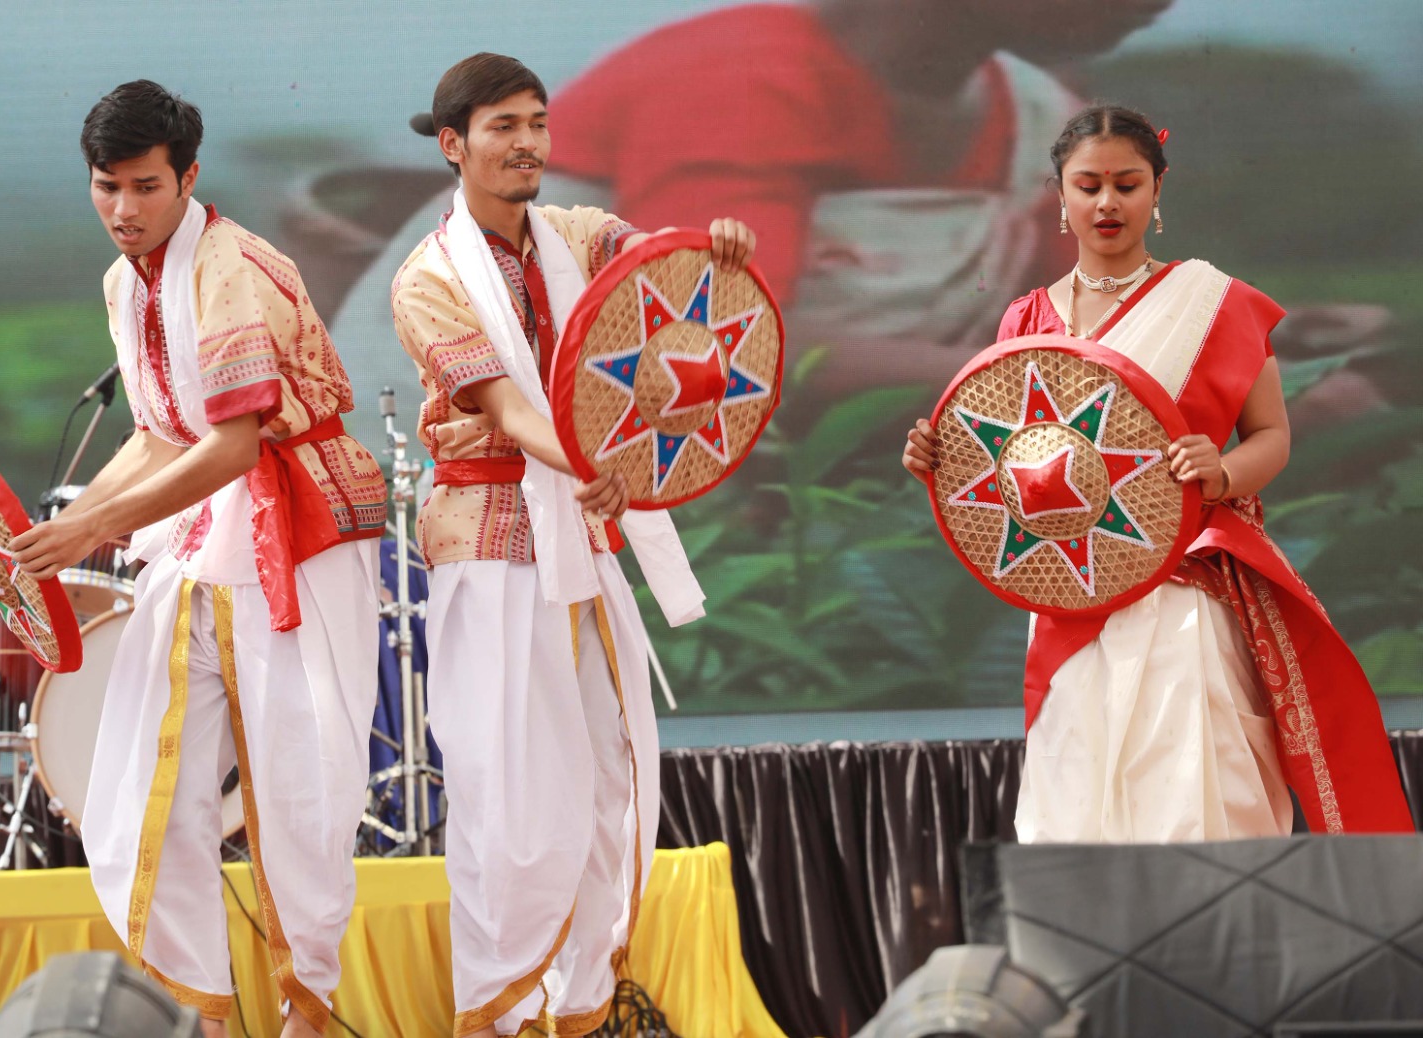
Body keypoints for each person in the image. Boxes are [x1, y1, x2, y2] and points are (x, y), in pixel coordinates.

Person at [901, 105, 1413, 842]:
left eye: (1127, 183)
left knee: (1195, 799)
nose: (1107, 202)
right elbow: (1004, 464)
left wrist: (1221, 471)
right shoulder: (1026, 321)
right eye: (1088, 186)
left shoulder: (1214, 305)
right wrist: (939, 457)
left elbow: (1271, 436)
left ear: (1157, 189)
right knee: (1075, 805)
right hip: (1070, 598)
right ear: (1060, 195)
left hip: (1185, 587)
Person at [11, 80, 387, 1037]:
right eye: (107, 187)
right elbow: (158, 434)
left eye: (145, 186)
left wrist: (92, 531)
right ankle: (200, 1015)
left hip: (296, 536)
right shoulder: (122, 282)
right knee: (140, 788)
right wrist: (59, 529)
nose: (124, 209)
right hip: (200, 537)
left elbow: (233, 445)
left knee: (301, 792)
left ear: (189, 178)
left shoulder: (233, 268)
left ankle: (308, 1013)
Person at [389, 53, 754, 1037]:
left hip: (582, 540)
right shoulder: (429, 278)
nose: (527, 144)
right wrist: (594, 456)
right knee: (511, 801)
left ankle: (584, 1010)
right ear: (453, 144)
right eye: (502, 127)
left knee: (607, 783)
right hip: (490, 548)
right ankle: (494, 1020)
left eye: (537, 123)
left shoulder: (580, 235)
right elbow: (508, 409)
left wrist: (715, 248)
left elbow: (662, 266)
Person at [548, 0, 1174, 399]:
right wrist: (1059, 374)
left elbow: (1078, 324)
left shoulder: (1037, 122)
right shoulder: (738, 79)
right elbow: (709, 352)